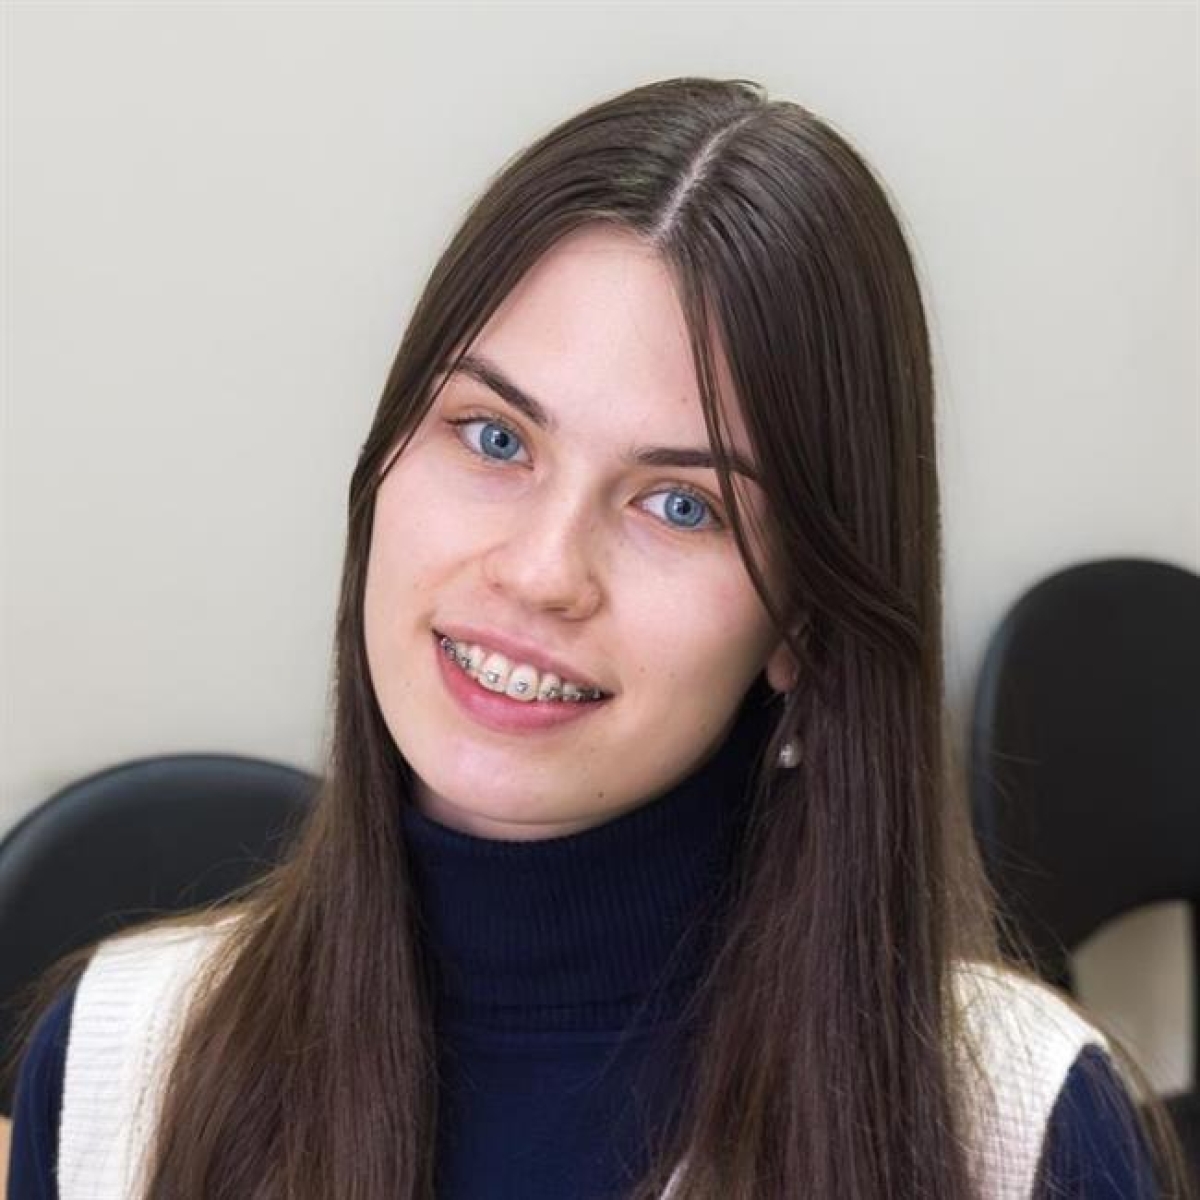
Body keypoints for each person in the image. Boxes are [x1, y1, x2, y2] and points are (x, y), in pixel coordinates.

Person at [4, 76, 1191, 1200]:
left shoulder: (1017, 1130)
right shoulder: (120, 1064)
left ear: (805, 621)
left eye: (681, 505)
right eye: (495, 438)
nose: (540, 572)